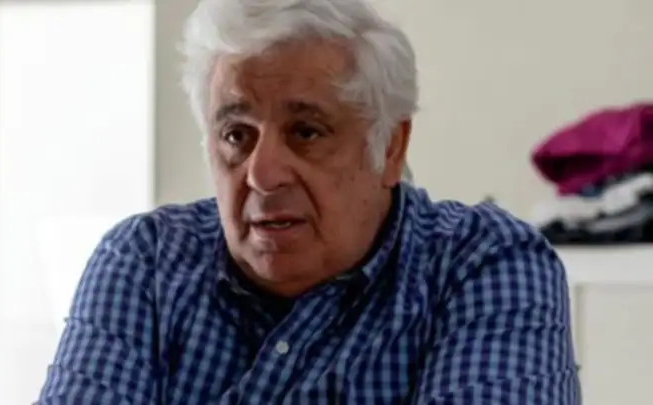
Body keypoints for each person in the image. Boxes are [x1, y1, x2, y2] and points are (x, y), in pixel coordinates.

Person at [37, 0, 580, 403]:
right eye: (236, 135)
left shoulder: (485, 263)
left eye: (306, 132)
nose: (262, 175)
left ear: (390, 147)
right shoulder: (145, 262)